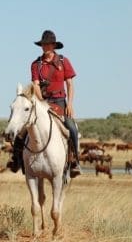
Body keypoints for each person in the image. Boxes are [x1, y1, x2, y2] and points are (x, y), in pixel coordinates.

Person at [10, 30, 81, 178]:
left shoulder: (63, 61)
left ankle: (74, 161)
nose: (45, 47)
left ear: (54, 45)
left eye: (48, 44)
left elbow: (70, 84)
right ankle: (16, 159)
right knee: (22, 129)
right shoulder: (36, 64)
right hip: (43, 101)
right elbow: (35, 84)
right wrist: (41, 102)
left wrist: (70, 104)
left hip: (60, 102)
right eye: (43, 44)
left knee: (72, 128)